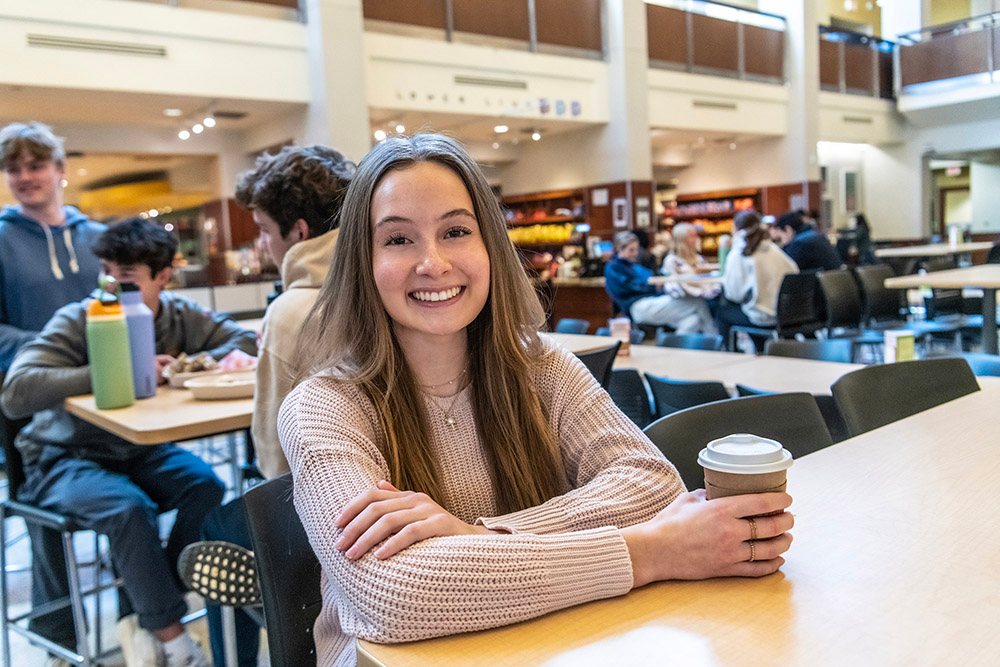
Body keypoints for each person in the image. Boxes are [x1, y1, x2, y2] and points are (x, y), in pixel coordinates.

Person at [279, 134, 793, 665]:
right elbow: (394, 595)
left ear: (490, 248)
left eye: (456, 231)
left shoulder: (541, 366)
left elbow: (652, 484)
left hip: (549, 643)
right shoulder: (322, 408)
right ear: (363, 262)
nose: (432, 262)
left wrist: (480, 535)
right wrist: (653, 551)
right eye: (398, 239)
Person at [1, 218, 257, 666]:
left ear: (162, 276)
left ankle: (151, 598)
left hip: (138, 450)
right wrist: (112, 368)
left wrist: (188, 362)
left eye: (129, 280)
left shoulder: (179, 316)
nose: (114, 290)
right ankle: (174, 639)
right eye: (109, 275)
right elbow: (17, 391)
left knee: (206, 486)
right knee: (127, 508)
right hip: (63, 457)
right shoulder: (82, 318)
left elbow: (242, 341)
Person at [189, 145, 355, 667]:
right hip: (410, 502)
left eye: (263, 229)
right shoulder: (385, 281)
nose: (261, 243)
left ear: (299, 232)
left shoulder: (292, 311)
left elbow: (275, 459)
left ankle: (253, 648)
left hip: (330, 525)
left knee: (216, 526)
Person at [0, 120, 107, 653]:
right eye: (14, 168)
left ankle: (142, 615)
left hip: (105, 399)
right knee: (49, 517)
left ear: (60, 170)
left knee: (124, 498)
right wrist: (50, 347)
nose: (25, 177)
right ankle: (58, 633)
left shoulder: (96, 239)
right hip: (30, 402)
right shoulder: (0, 239)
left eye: (35, 165)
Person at [604, 230, 716, 334]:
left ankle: (674, 349)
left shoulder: (633, 266)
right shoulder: (613, 268)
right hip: (638, 306)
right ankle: (716, 340)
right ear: (619, 249)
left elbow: (653, 277)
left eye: (636, 249)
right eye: (631, 250)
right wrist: (654, 286)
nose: (635, 253)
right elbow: (628, 288)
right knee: (697, 302)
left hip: (650, 302)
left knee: (693, 320)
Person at [719, 210, 798, 347]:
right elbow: (795, 271)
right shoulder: (774, 250)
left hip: (763, 317)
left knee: (721, 311)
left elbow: (734, 294)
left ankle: (729, 353)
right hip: (788, 314)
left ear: (736, 228)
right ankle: (761, 347)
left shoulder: (740, 252)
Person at [662, 222, 721, 302]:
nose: (696, 239)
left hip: (706, 298)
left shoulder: (699, 258)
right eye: (692, 236)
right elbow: (677, 285)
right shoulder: (671, 260)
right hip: (687, 301)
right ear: (681, 240)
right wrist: (701, 292)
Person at [769, 211, 842, 272]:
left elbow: (786, 268)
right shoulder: (816, 235)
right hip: (832, 284)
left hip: (817, 286)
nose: (782, 242)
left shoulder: (800, 244)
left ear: (788, 229)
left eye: (781, 237)